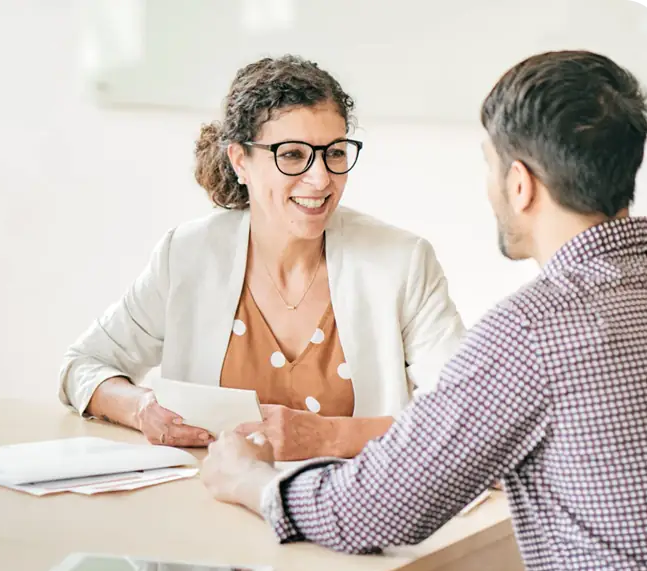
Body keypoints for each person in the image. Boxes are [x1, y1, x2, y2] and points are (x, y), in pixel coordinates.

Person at [200, 49, 647, 571]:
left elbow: (373, 509)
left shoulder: (533, 332)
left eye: (488, 165)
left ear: (520, 184)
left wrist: (248, 479)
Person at [58, 55, 466, 461]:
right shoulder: (186, 254)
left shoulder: (402, 262)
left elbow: (465, 418)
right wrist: (142, 408)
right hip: (209, 508)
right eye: (292, 155)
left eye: (335, 153)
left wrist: (330, 437)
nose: (321, 178)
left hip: (351, 514)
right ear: (240, 161)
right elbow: (83, 366)